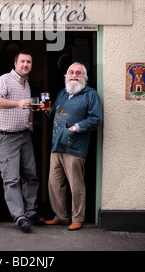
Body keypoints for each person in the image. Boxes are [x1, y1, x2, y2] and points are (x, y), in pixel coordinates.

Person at [42, 62, 102, 231]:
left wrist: (75, 128)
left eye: (78, 72)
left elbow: (95, 118)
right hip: (57, 145)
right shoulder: (63, 93)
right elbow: (53, 113)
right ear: (66, 76)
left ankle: (78, 218)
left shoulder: (90, 95)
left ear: (84, 77)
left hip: (75, 146)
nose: (74, 75)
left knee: (76, 185)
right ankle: (61, 216)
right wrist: (46, 111)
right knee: (54, 184)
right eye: (71, 72)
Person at [0, 50, 44, 233]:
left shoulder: (26, 83)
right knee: (12, 179)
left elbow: (27, 103)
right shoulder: (4, 80)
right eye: (22, 61)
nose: (25, 65)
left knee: (31, 175)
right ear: (15, 63)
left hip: (24, 135)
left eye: (28, 62)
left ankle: (30, 211)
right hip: (6, 137)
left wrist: (29, 123)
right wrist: (17, 103)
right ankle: (19, 217)